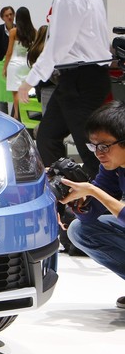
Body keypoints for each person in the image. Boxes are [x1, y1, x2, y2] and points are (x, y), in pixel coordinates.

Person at [18, 0, 111, 179]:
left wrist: (28, 82)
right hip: (79, 78)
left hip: (81, 80)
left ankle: (96, 200)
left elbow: (57, 47)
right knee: (47, 137)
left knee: (90, 149)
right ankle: (66, 189)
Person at [59, 101, 125, 307]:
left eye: (104, 146)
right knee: (80, 230)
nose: (98, 153)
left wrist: (93, 191)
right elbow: (90, 214)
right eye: (93, 145)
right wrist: (75, 200)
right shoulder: (113, 166)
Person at [3, 7, 37, 120]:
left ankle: (17, 115)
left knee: (16, 93)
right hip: (27, 64)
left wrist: (5, 67)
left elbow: (9, 52)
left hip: (14, 64)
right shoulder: (34, 32)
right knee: (26, 91)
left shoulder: (13, 32)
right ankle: (26, 116)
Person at [0, 6, 16, 114]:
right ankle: (4, 116)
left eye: (11, 14)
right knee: (2, 95)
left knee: (15, 92)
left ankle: (14, 116)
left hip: (15, 63)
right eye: (7, 15)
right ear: (2, 18)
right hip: (1, 64)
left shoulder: (19, 29)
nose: (9, 17)